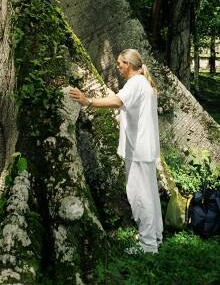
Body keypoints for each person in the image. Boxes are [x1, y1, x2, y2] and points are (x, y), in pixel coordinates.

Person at [69, 48, 163, 254]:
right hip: (144, 149)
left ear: (127, 64)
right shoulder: (143, 84)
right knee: (150, 195)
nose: (118, 68)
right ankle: (155, 237)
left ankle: (148, 246)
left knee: (140, 197)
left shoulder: (136, 83)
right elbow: (123, 102)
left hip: (138, 150)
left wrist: (88, 101)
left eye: (120, 64)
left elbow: (118, 102)